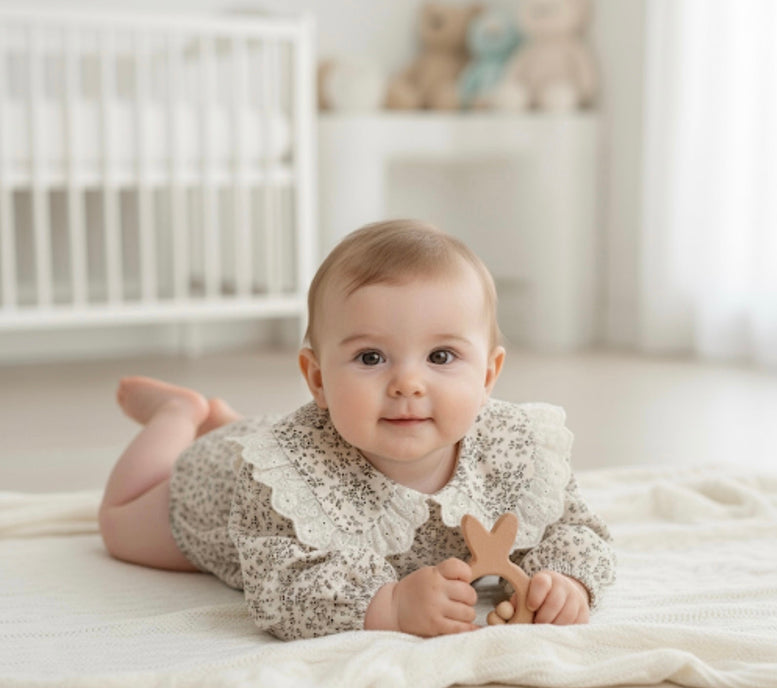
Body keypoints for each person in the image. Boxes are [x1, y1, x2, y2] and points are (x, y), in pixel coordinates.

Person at [99, 219, 615, 640]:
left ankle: (224, 419)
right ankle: (179, 414)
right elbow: (278, 586)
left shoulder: (512, 449)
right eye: (371, 357)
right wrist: (387, 605)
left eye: (441, 356)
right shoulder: (281, 480)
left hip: (308, 433)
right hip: (218, 486)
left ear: (487, 376)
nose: (408, 384)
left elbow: (576, 528)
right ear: (317, 378)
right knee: (118, 525)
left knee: (265, 434)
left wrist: (565, 581)